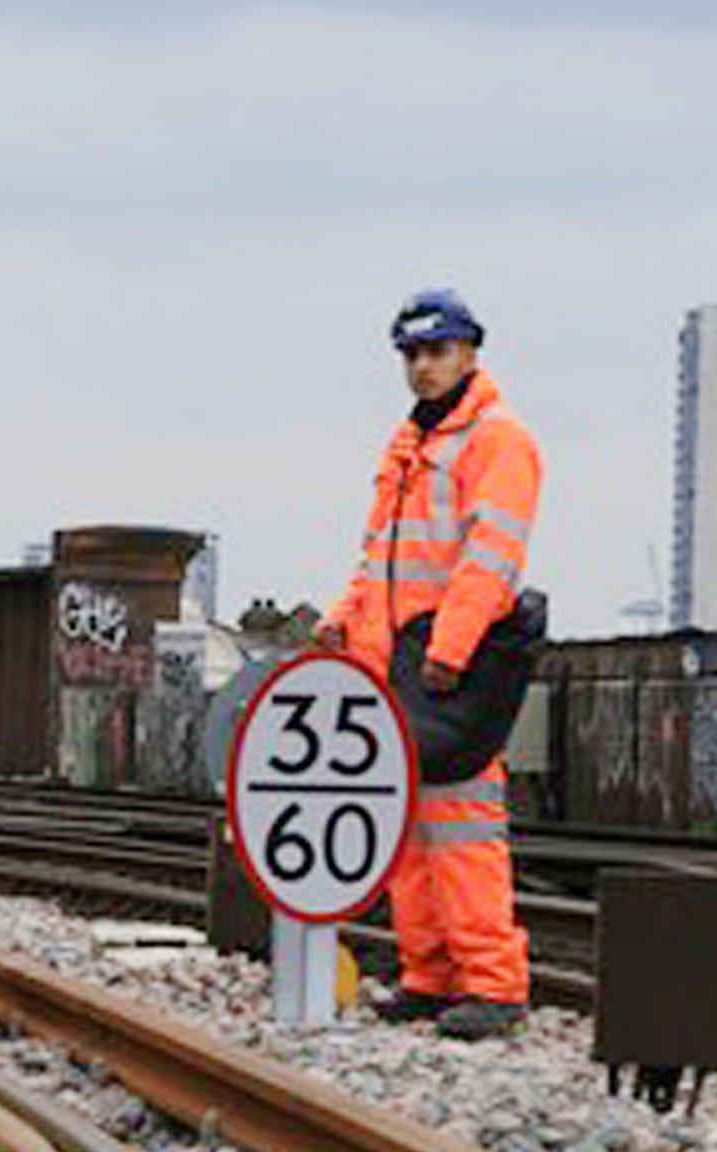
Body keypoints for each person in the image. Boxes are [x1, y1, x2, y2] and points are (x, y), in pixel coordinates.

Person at [316, 288, 542, 1041]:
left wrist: (451, 649)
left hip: (450, 668)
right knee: (411, 828)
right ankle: (431, 975)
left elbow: (491, 555)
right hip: (399, 663)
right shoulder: (413, 447)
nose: (422, 368)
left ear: (471, 352)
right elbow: (380, 556)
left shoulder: (496, 441)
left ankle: (493, 983)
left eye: (437, 352)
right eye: (411, 355)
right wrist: (344, 620)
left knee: (463, 828)